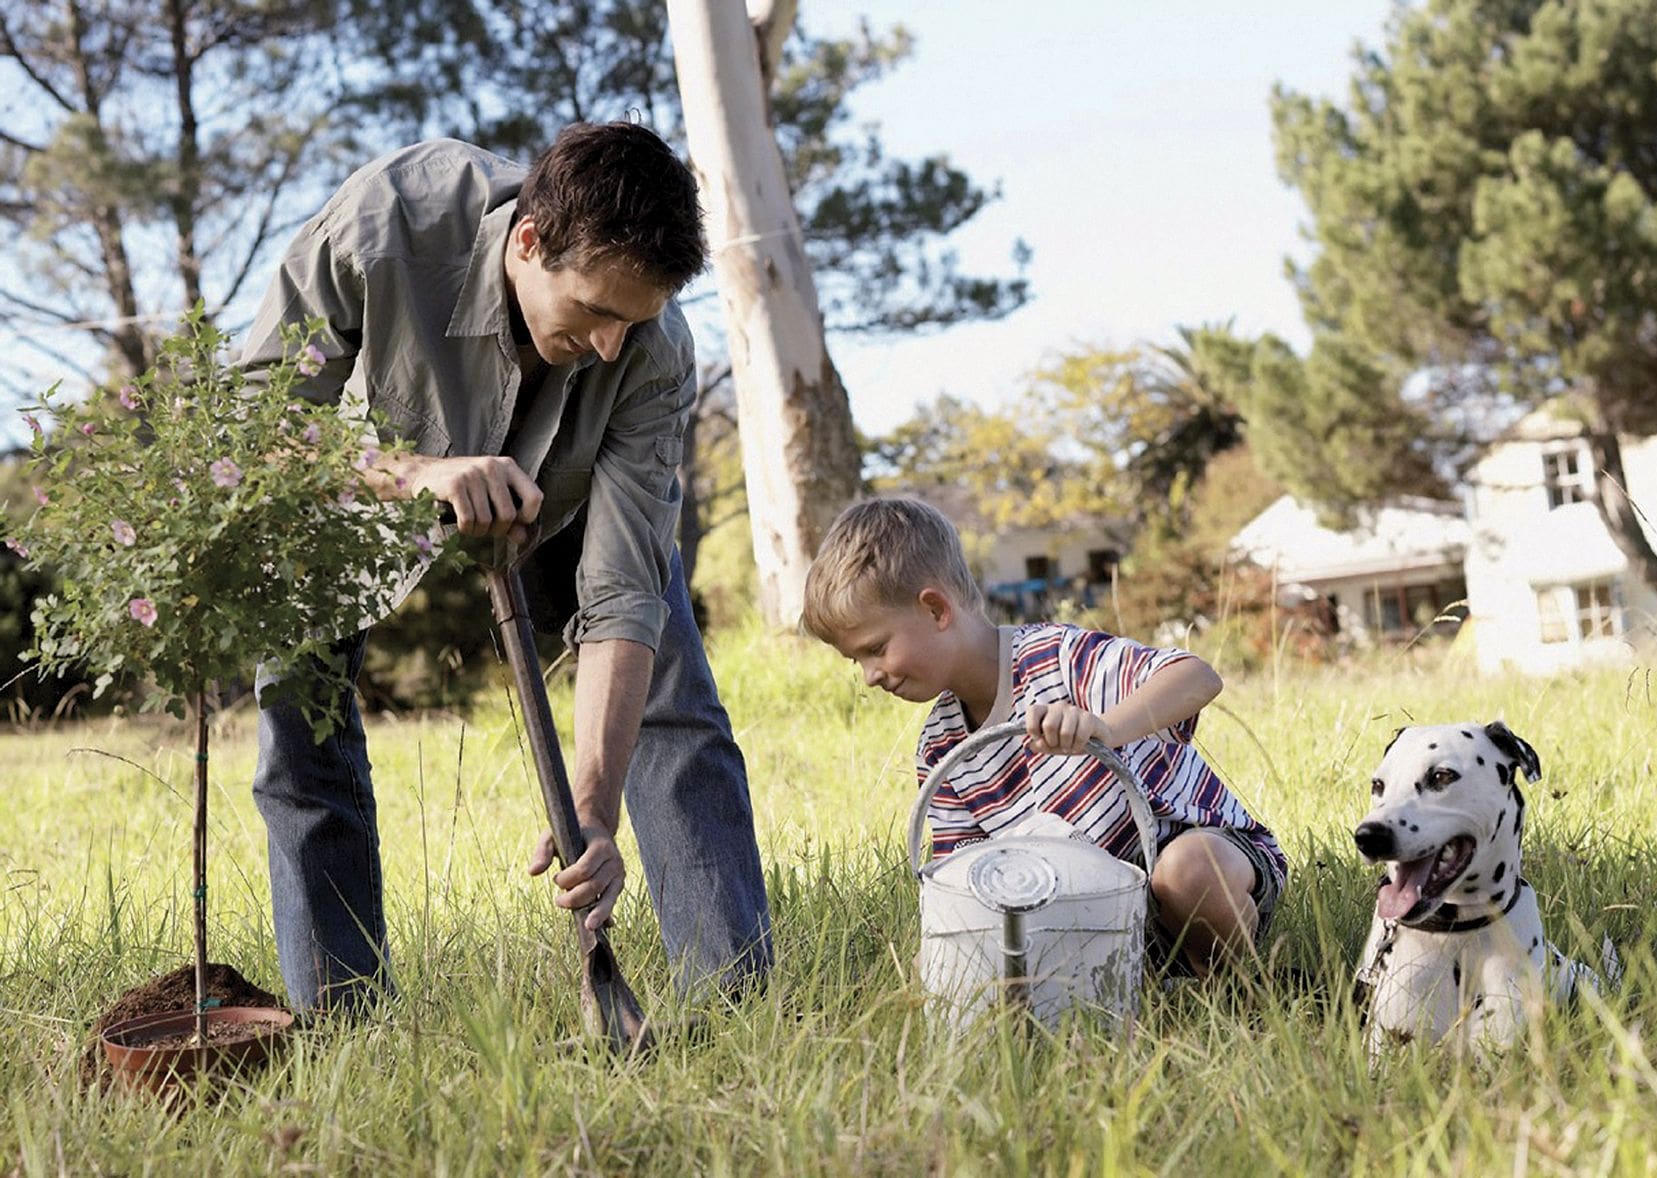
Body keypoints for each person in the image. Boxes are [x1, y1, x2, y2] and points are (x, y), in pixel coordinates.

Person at [237, 122, 772, 1013]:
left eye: (631, 321)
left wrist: (592, 809)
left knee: (672, 693)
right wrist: (410, 474)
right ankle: (343, 1016)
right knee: (301, 728)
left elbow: (623, 595)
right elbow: (255, 430)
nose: (611, 344)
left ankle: (732, 997)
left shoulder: (652, 344)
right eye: (596, 312)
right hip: (360, 488)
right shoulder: (388, 221)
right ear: (529, 243)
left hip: (564, 494)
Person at [801, 497, 1286, 977]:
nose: (869, 676)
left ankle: (1236, 989)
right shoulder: (943, 750)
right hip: (1094, 915)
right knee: (953, 955)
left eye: (876, 649)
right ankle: (1132, 986)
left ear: (934, 610)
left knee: (1186, 870)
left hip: (1198, 866)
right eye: (856, 661)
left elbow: (1197, 676)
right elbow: (960, 881)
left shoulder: (1056, 658)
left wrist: (1106, 727)